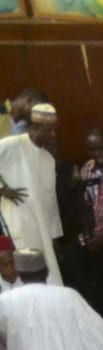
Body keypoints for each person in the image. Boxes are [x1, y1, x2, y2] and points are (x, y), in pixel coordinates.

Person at [0, 104, 61, 285]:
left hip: (43, 230)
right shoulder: (13, 144)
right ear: (34, 127)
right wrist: (2, 189)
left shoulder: (48, 158)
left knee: (50, 278)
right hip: (18, 223)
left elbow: (51, 200)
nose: (52, 135)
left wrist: (55, 235)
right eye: (48, 130)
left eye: (54, 131)